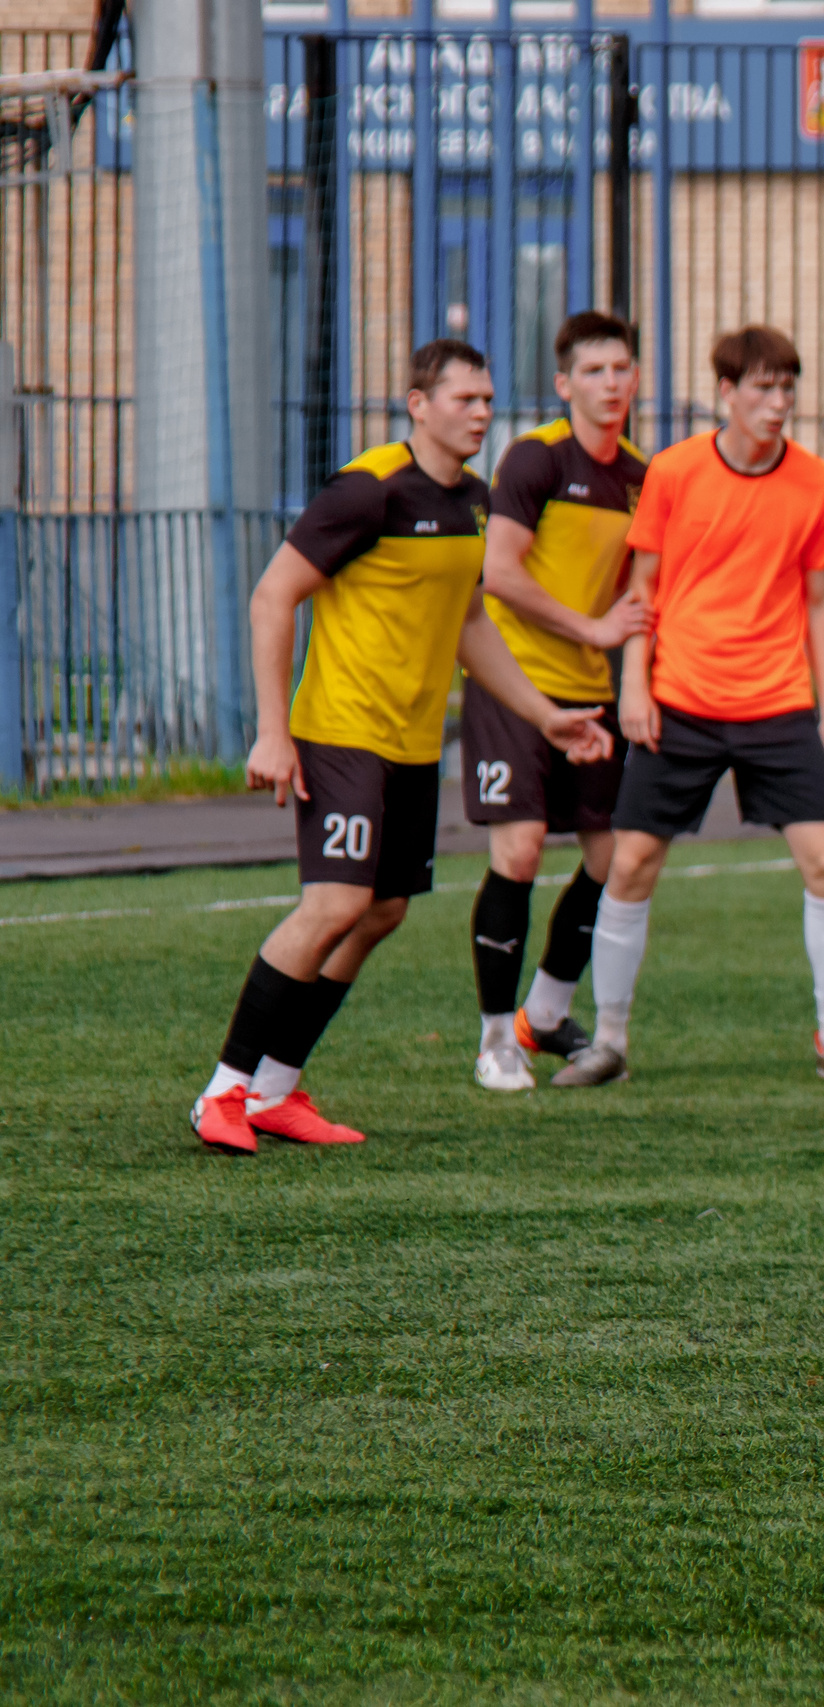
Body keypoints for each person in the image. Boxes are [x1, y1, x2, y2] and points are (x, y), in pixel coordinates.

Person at [191, 341, 614, 1154]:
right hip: (343, 732)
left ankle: (276, 1088)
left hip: (413, 747)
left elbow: (470, 625)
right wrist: (273, 731)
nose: (482, 412)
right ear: (419, 404)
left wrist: (546, 715)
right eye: (465, 398)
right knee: (334, 906)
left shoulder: (477, 503)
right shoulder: (368, 488)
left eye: (489, 398)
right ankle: (222, 1090)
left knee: (380, 910)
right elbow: (272, 596)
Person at [560, 325, 824, 1089]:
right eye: (763, 388)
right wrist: (634, 684)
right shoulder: (676, 472)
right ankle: (608, 1042)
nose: (779, 403)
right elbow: (642, 588)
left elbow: (822, 602)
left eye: (788, 388)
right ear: (726, 392)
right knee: (633, 864)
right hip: (678, 700)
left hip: (778, 704)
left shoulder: (819, 484)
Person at [465, 310, 653, 1092]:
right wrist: (594, 626)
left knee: (613, 862)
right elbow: (500, 574)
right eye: (596, 371)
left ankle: (542, 1016)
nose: (612, 384)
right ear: (564, 383)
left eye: (623, 370)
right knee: (521, 847)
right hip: (513, 680)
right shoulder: (534, 459)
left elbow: (642, 594)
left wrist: (625, 653)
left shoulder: (642, 475)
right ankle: (491, 1041)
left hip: (591, 691)